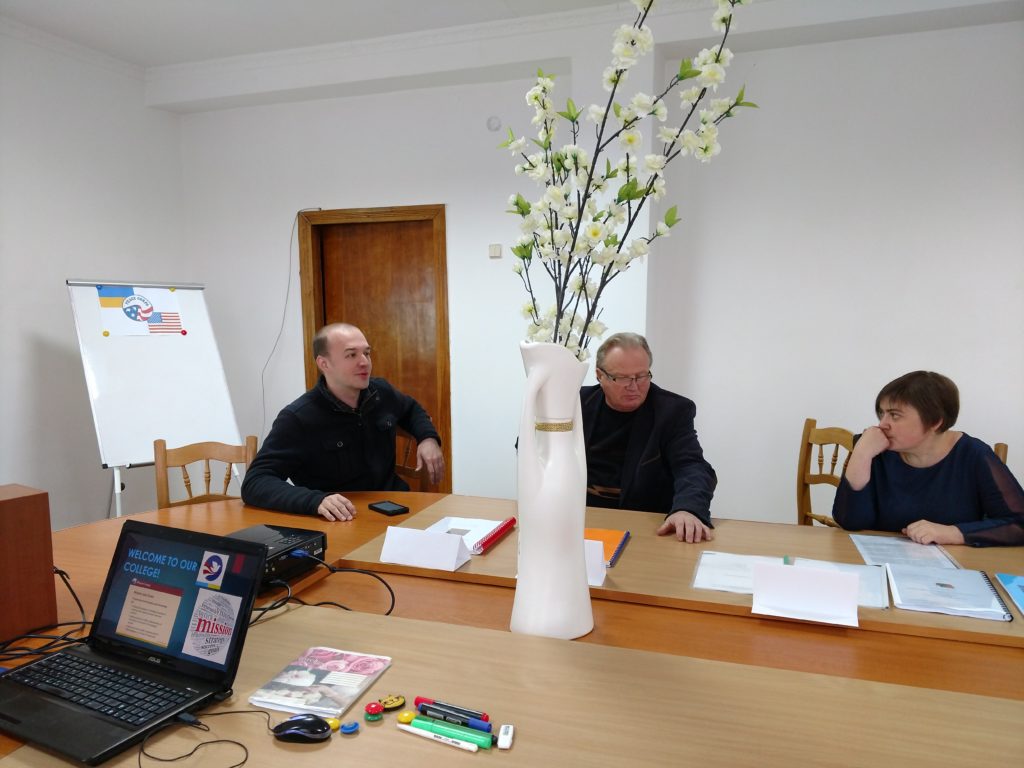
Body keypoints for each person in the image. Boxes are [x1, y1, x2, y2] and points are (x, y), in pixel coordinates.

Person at [241, 323, 444, 521]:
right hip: (342, 520)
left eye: (367, 353)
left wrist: (428, 438)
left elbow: (411, 409)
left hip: (396, 509)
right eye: (351, 355)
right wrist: (315, 500)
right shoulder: (298, 418)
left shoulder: (381, 391)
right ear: (324, 364)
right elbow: (256, 481)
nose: (364, 362)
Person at [832, 371, 1024, 546]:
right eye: (882, 413)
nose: (882, 424)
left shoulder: (973, 454)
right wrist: (861, 454)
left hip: (953, 568)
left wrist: (952, 533)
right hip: (882, 563)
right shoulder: (875, 448)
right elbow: (850, 521)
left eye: (895, 415)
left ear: (935, 421)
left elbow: (1018, 525)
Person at [580, 332, 717, 543]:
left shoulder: (672, 411)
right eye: (622, 378)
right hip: (582, 519)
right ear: (600, 376)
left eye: (641, 376)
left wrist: (687, 509)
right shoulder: (576, 403)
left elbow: (691, 466)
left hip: (643, 524)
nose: (634, 386)